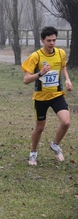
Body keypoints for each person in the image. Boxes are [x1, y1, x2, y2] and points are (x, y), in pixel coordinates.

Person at [21, 26, 73, 166]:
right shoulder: (35, 56)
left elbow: (63, 66)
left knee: (66, 122)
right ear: (42, 40)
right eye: (48, 40)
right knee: (40, 128)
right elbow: (26, 80)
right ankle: (33, 152)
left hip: (56, 95)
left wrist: (67, 79)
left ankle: (55, 144)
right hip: (41, 97)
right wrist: (40, 73)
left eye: (54, 40)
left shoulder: (60, 53)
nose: (52, 43)